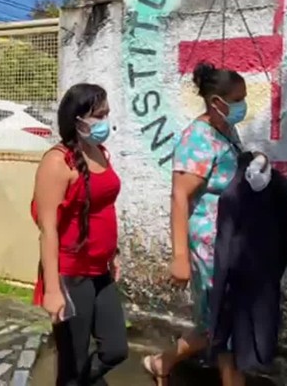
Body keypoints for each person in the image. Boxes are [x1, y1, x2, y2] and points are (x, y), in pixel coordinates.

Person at [143, 62, 248, 386]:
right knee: (223, 323)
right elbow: (179, 195)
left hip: (231, 242)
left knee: (221, 323)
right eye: (238, 100)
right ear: (217, 102)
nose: (244, 106)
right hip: (210, 246)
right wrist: (179, 258)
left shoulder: (225, 130)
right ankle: (164, 362)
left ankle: (162, 362)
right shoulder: (198, 137)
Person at [31, 83, 128, 385]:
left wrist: (113, 254)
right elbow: (47, 229)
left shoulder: (99, 152)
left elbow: (103, 210)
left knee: (115, 350)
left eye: (106, 113)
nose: (105, 122)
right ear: (77, 120)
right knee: (72, 363)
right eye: (98, 115)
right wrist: (52, 290)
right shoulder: (57, 162)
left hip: (100, 270)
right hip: (70, 275)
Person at [209, 151, 287, 374]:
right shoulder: (236, 193)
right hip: (242, 279)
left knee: (237, 339)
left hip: (246, 278)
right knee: (234, 338)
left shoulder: (266, 188)